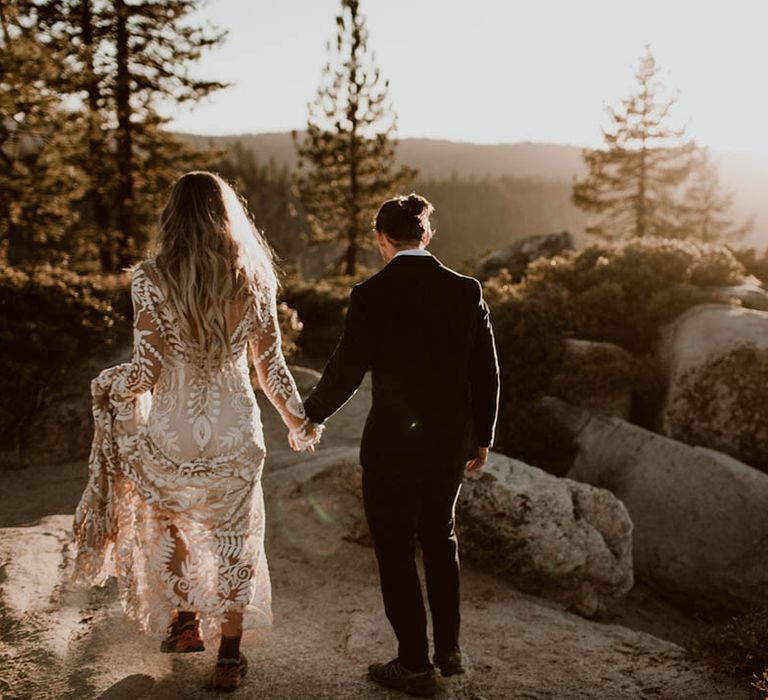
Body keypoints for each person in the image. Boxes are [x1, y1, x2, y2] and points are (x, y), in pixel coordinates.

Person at [71, 171, 322, 691]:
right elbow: (270, 366)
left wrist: (109, 382)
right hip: (233, 425)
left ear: (172, 217)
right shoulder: (254, 277)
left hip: (173, 426)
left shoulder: (150, 277)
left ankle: (185, 624)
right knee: (235, 535)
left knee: (173, 521)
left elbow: (145, 370)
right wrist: (298, 419)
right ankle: (229, 656)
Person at [303, 193, 500, 698]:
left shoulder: (372, 294)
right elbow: (486, 371)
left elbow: (347, 367)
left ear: (380, 240)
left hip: (391, 446)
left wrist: (310, 414)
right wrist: (482, 436)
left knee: (394, 551)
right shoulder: (465, 289)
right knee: (441, 538)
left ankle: (414, 664)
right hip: (446, 446)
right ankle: (449, 650)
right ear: (425, 236)